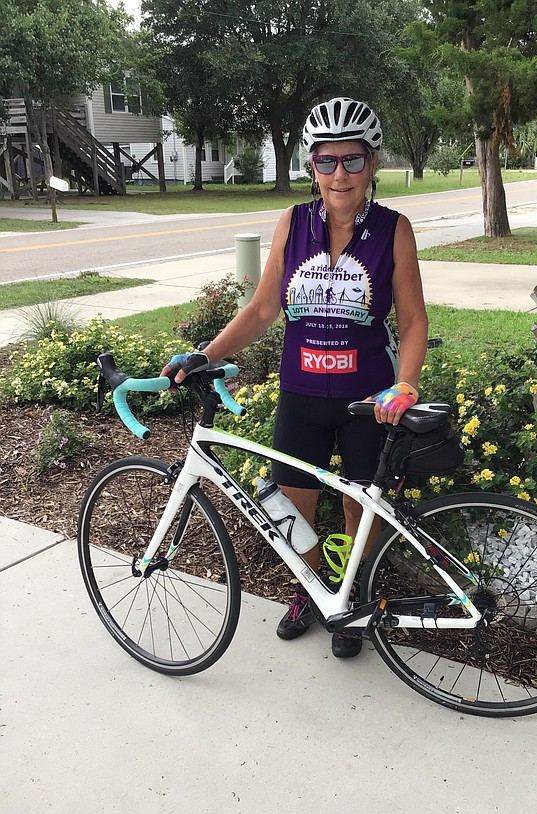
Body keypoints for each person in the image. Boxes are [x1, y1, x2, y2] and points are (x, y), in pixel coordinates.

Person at [166, 97, 428, 658]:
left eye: (353, 161)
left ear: (372, 165)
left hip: (368, 400)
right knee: (293, 505)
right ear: (312, 168)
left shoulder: (393, 230)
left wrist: (404, 384)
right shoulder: (295, 222)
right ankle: (311, 592)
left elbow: (412, 321)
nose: (341, 175)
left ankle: (354, 596)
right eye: (327, 162)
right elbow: (262, 310)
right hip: (301, 395)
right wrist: (202, 355)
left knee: (361, 508)